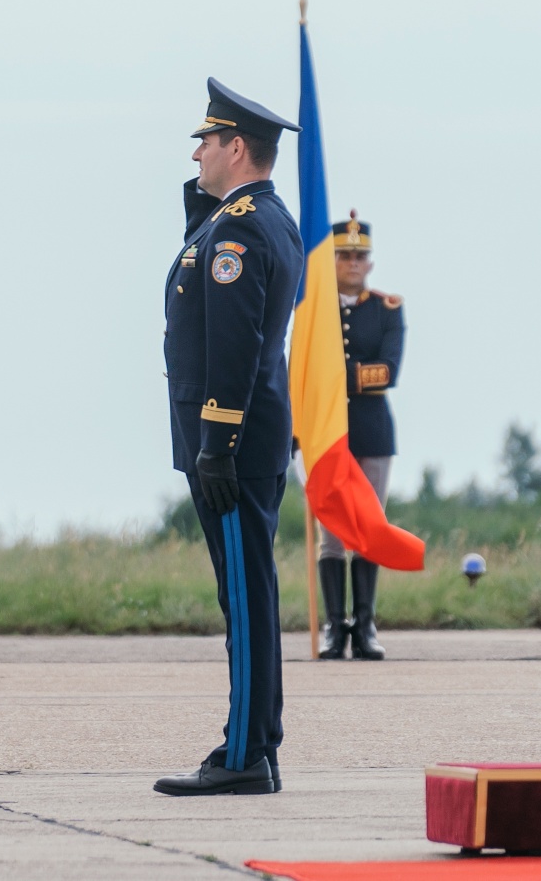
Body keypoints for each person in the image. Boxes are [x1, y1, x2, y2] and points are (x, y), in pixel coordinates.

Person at [153, 78, 302, 798]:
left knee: (244, 601)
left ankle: (243, 754)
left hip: (232, 445)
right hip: (245, 436)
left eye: (206, 142)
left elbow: (237, 344)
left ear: (236, 147)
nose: (196, 154)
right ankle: (257, 746)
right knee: (248, 595)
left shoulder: (239, 230)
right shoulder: (255, 218)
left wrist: (217, 442)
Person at [317, 212, 404, 662]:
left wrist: (335, 375)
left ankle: (365, 625)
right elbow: (302, 371)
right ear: (331, 261)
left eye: (359, 256)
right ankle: (335, 626)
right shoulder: (314, 311)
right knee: (333, 533)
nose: (353, 262)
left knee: (369, 529)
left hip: (371, 431)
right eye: (344, 255)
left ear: (370, 262)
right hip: (327, 432)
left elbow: (387, 372)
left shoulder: (387, 308)